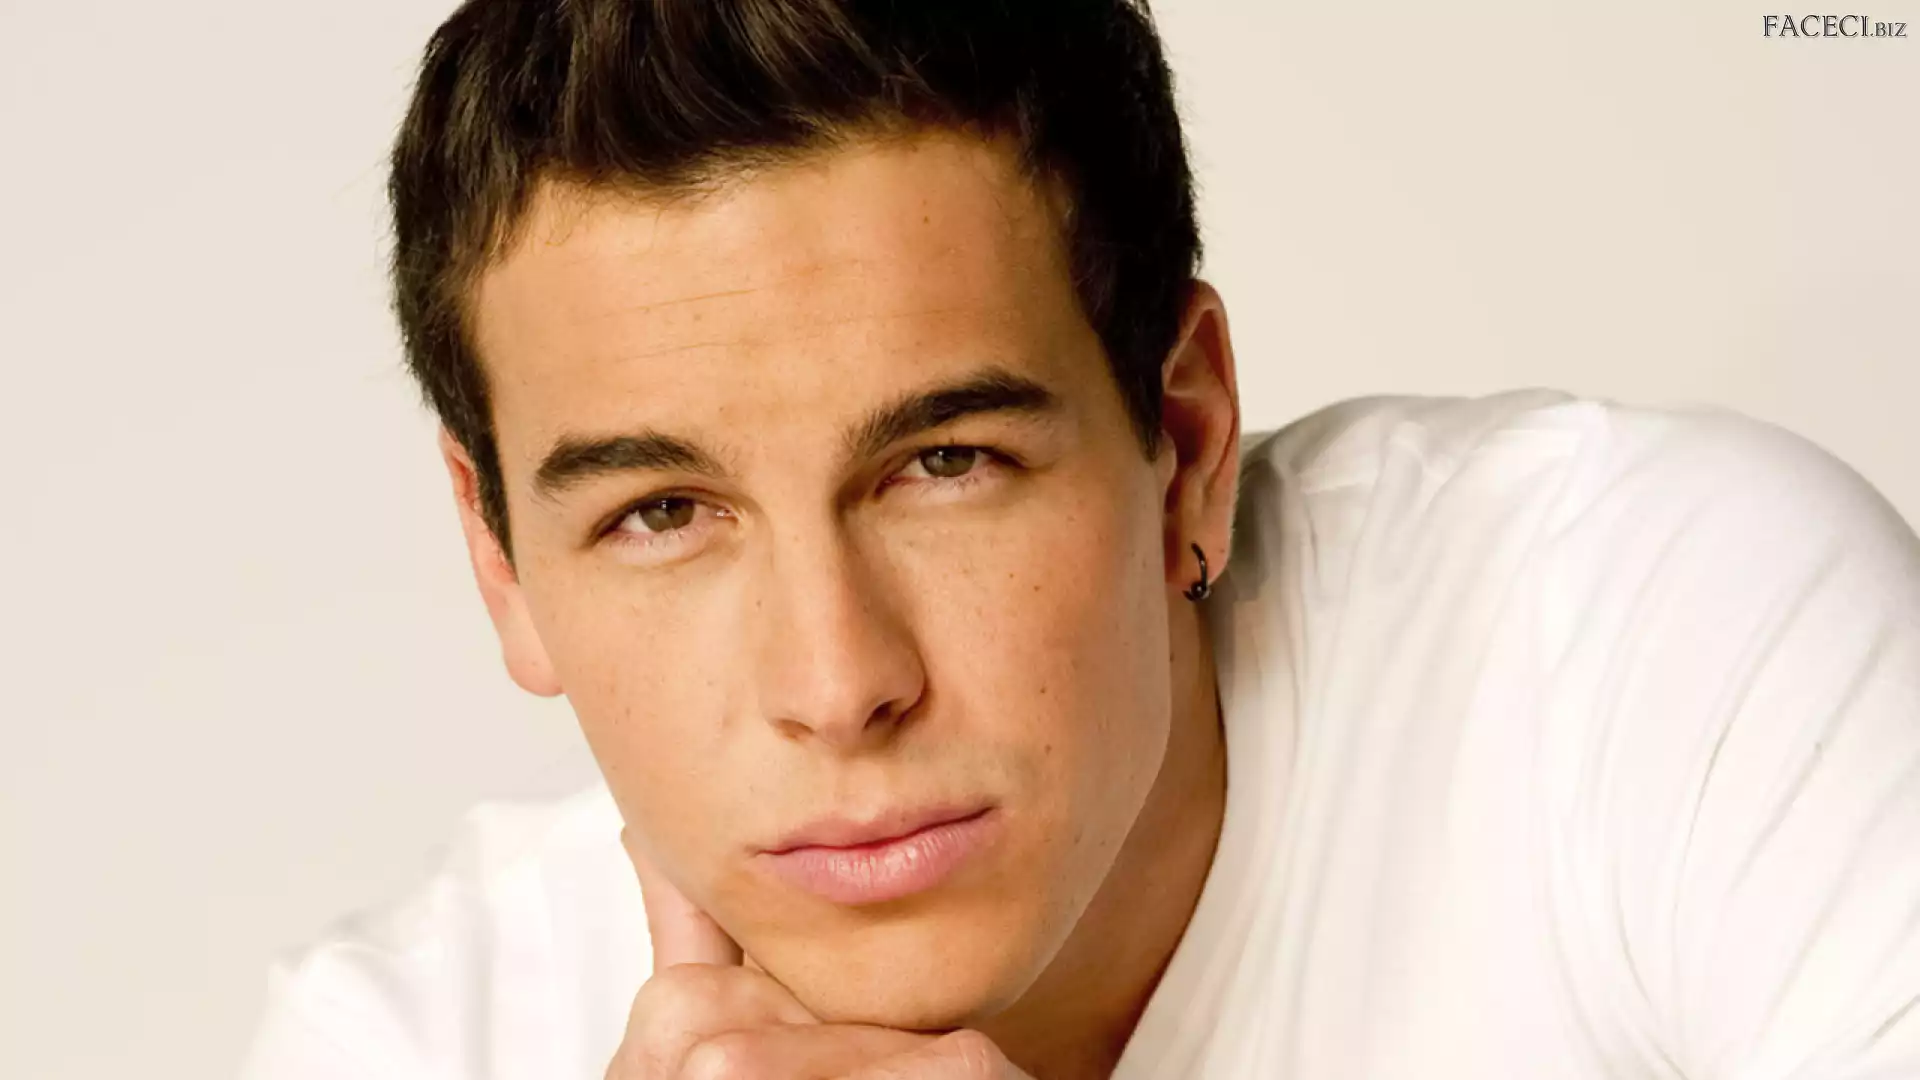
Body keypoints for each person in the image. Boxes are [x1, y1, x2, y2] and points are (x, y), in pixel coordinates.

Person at [241, 1, 1920, 1077]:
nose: (838, 682)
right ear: (500, 563)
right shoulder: (406, 1043)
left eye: (945, 463)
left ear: (1185, 446)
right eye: (663, 513)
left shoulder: (1660, 649)